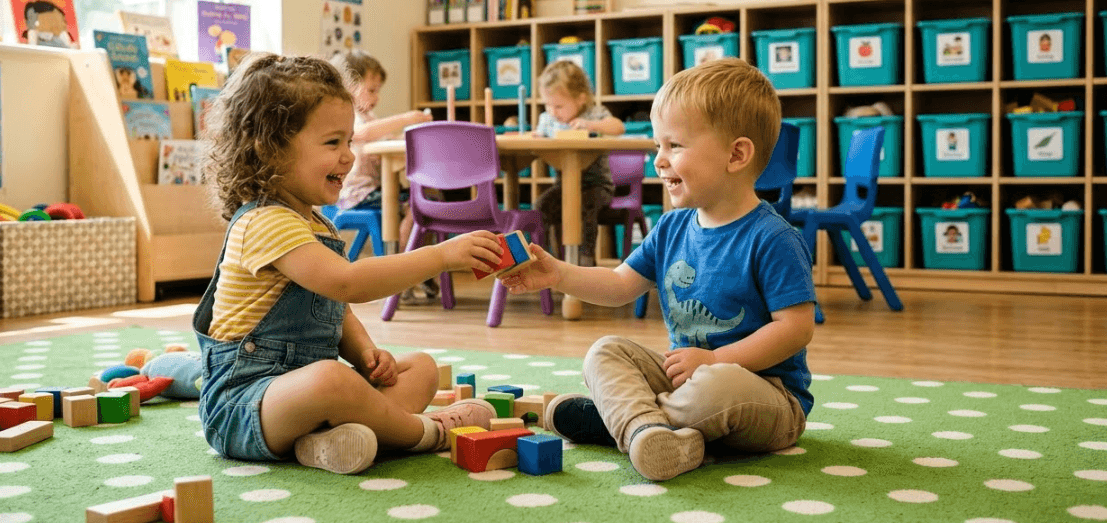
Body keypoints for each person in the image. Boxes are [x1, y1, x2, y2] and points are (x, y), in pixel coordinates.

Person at [501, 58, 817, 481]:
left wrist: (716, 359)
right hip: (684, 384)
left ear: (736, 154)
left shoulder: (772, 237)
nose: (659, 161)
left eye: (675, 146)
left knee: (717, 386)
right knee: (605, 350)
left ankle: (618, 422)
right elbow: (617, 284)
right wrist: (559, 273)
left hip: (767, 398)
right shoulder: (671, 228)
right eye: (657, 147)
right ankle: (647, 432)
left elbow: (795, 329)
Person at [193, 54, 500, 476]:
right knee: (330, 381)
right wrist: (441, 255)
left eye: (350, 141)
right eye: (333, 143)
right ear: (271, 150)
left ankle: (327, 444)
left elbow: (338, 311)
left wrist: (366, 352)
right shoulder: (264, 221)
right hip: (246, 407)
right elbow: (347, 284)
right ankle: (423, 434)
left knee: (421, 368)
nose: (349, 157)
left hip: (309, 407)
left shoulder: (316, 222)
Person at [331, 50, 438, 301]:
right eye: (371, 90)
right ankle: (402, 271)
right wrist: (406, 118)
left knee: (428, 200)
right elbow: (364, 134)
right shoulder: (347, 114)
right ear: (349, 87)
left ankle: (418, 270)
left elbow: (379, 139)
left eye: (378, 90)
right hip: (357, 194)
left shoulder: (368, 115)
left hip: (376, 191)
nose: (376, 97)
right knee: (414, 207)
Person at [533, 60, 624, 266]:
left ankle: (585, 261)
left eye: (559, 106)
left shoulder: (594, 113)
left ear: (581, 99)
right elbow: (540, 136)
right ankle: (548, 260)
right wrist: (538, 137)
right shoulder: (548, 119)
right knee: (541, 206)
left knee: (584, 205)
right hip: (563, 186)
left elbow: (618, 127)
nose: (553, 111)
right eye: (548, 105)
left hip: (598, 186)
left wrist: (590, 125)